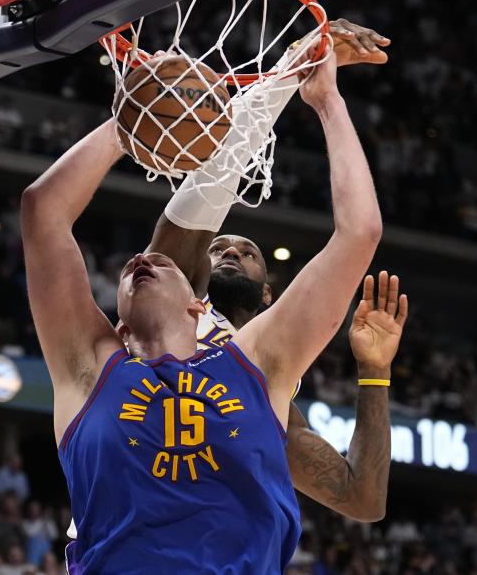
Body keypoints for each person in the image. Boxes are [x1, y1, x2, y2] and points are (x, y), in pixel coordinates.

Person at [20, 30, 391, 571]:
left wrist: (375, 372)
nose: (142, 263)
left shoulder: (261, 370)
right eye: (215, 247)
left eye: (247, 249)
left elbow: (360, 496)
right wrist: (140, 120)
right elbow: (46, 212)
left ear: (267, 294)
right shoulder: (107, 356)